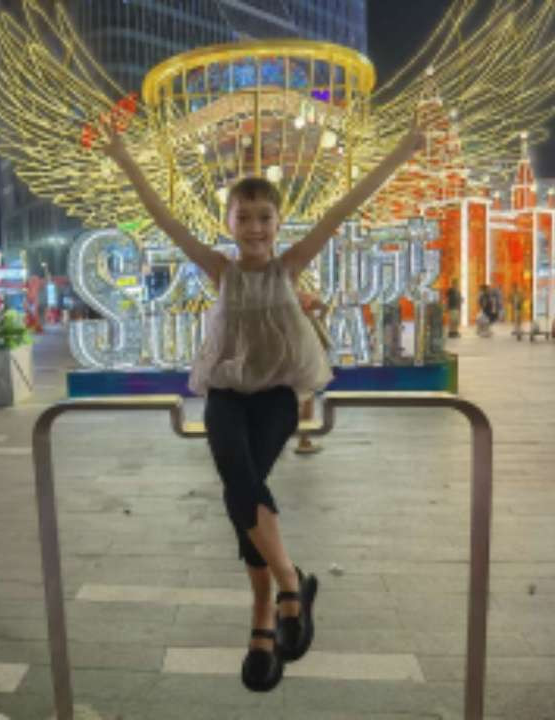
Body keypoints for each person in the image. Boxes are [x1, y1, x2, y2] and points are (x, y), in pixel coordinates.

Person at [101, 117, 426, 692]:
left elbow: (344, 206)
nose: (254, 226)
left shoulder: (288, 266)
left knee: (242, 492)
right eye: (243, 216)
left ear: (278, 223)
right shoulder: (219, 270)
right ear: (227, 222)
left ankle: (262, 617)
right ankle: (290, 584)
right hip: (226, 392)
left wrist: (403, 149)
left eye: (264, 217)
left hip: (276, 395)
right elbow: (163, 217)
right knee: (240, 483)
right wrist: (127, 161)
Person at [294, 290, 331, 455]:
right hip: (304, 353)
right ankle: (304, 440)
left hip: (282, 355)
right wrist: (321, 313)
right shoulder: (300, 296)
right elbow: (321, 306)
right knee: (307, 398)